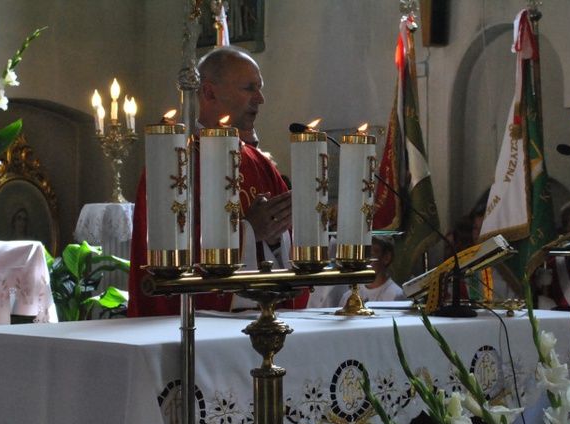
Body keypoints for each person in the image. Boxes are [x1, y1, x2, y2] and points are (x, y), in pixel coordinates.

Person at [128, 46, 305, 316]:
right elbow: (164, 251)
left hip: (264, 319)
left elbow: (290, 250)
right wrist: (249, 232)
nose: (260, 98)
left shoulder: (259, 163)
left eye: (260, 88)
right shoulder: (175, 161)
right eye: (249, 88)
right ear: (209, 92)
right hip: (195, 323)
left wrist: (274, 237)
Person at [338, 235, 406, 305]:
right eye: (363, 257)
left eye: (370, 256)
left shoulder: (396, 296)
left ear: (386, 258)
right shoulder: (349, 296)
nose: (365, 262)